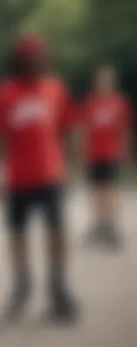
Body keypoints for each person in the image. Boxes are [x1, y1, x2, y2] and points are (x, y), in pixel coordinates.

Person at [0, 35, 77, 322]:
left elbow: (67, 128)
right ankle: (22, 286)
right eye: (32, 57)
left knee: (57, 231)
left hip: (51, 174)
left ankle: (58, 287)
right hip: (17, 178)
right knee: (18, 233)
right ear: (20, 61)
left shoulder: (55, 88)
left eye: (41, 56)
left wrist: (71, 166)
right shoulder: (5, 93)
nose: (38, 61)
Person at [79, 64, 131, 249]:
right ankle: (98, 224)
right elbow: (85, 129)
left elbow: (123, 129)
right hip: (94, 153)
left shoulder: (119, 103)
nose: (103, 84)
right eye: (100, 81)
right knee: (96, 191)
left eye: (107, 81)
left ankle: (110, 225)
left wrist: (124, 151)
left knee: (110, 190)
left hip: (111, 152)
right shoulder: (91, 102)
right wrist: (83, 150)